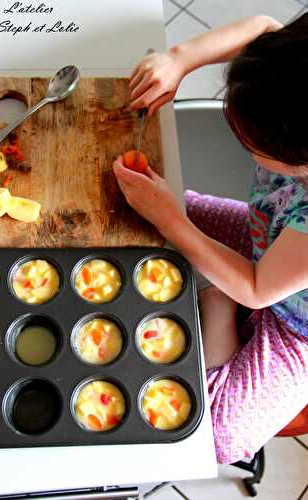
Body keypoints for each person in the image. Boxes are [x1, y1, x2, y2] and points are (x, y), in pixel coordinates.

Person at [113, 14, 308, 464]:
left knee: (216, 434)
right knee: (144, 208)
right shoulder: (296, 65)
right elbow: (263, 28)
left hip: (293, 327)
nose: (241, 142)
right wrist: (179, 59)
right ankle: (211, 271)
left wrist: (172, 221)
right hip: (268, 239)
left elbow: (259, 290)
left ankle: (217, 300)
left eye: (252, 145)